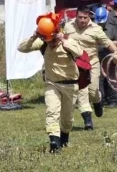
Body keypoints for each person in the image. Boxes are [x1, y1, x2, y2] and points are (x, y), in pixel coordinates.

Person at [17, 13, 84, 152]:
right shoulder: (42, 42)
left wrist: (64, 40)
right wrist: (35, 35)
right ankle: (54, 142)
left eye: (50, 37)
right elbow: (21, 48)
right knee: (52, 112)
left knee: (67, 118)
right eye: (45, 38)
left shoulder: (67, 40)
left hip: (70, 84)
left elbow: (79, 52)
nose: (49, 41)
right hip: (52, 84)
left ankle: (64, 136)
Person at [64, 5, 117, 130]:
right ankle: (88, 121)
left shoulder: (96, 29)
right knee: (82, 92)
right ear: (76, 16)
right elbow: (63, 42)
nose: (82, 20)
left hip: (92, 63)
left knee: (93, 91)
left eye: (85, 18)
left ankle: (97, 101)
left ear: (89, 17)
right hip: (76, 65)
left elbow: (108, 43)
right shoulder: (68, 27)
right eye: (80, 17)